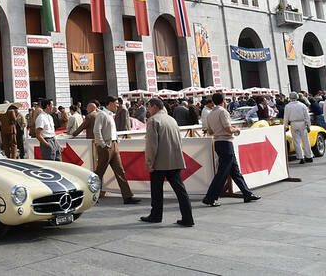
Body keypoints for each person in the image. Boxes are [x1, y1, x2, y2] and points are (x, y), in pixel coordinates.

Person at [140, 98, 194, 226]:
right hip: (174, 160)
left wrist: (149, 162)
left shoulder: (153, 120)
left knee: (157, 191)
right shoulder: (171, 119)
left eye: (148, 107)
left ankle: (156, 215)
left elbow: (151, 145)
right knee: (180, 191)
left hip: (160, 162)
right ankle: (188, 218)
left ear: (154, 106)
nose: (148, 109)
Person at [203, 93, 260, 206]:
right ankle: (210, 197)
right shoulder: (223, 112)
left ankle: (247, 193)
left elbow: (210, 131)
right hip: (226, 142)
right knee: (222, 172)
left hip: (218, 142)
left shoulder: (210, 114)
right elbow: (228, 129)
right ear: (223, 100)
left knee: (234, 171)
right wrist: (237, 129)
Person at [96, 98, 141, 204]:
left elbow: (111, 130)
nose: (117, 105)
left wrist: (116, 141)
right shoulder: (102, 115)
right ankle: (92, 195)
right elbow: (96, 130)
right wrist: (103, 144)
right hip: (107, 146)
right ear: (110, 104)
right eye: (116, 103)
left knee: (120, 171)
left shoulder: (110, 115)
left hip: (113, 144)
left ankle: (127, 196)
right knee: (99, 173)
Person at [283, 92, 313, 164]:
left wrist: (285, 126)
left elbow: (286, 117)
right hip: (302, 123)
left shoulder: (287, 106)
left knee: (297, 141)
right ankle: (309, 156)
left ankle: (301, 157)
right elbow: (307, 116)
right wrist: (308, 125)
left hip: (293, 123)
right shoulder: (302, 105)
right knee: (306, 140)